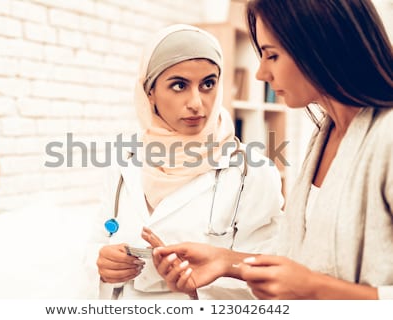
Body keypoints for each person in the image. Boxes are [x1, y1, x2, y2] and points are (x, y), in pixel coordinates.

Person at [145, 0, 393, 299]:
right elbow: (303, 254)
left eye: (271, 56)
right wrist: (227, 262)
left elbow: (310, 279)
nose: (261, 74)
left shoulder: (386, 139)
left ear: (322, 46)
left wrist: (315, 290)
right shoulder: (325, 136)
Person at [91, 23, 284, 299]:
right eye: (179, 85)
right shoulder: (123, 160)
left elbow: (269, 275)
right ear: (150, 92)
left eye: (208, 84)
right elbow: (97, 238)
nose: (197, 103)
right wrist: (101, 264)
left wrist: (198, 290)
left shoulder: (252, 171)